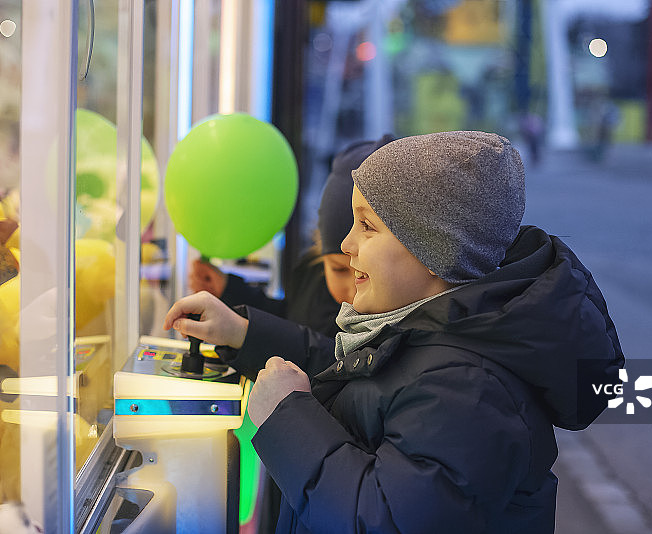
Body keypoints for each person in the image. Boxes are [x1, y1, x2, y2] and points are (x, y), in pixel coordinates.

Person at [165, 131, 624, 534]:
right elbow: (367, 383)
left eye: (367, 226)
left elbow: (384, 519)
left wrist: (287, 419)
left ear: (435, 250)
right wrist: (246, 334)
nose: (346, 245)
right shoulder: (436, 338)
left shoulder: (469, 388)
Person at [188, 134, 395, 338]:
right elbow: (291, 320)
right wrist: (230, 291)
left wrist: (245, 332)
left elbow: (328, 354)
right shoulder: (310, 274)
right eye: (339, 269)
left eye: (365, 272)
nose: (353, 291)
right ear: (321, 251)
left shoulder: (393, 325)